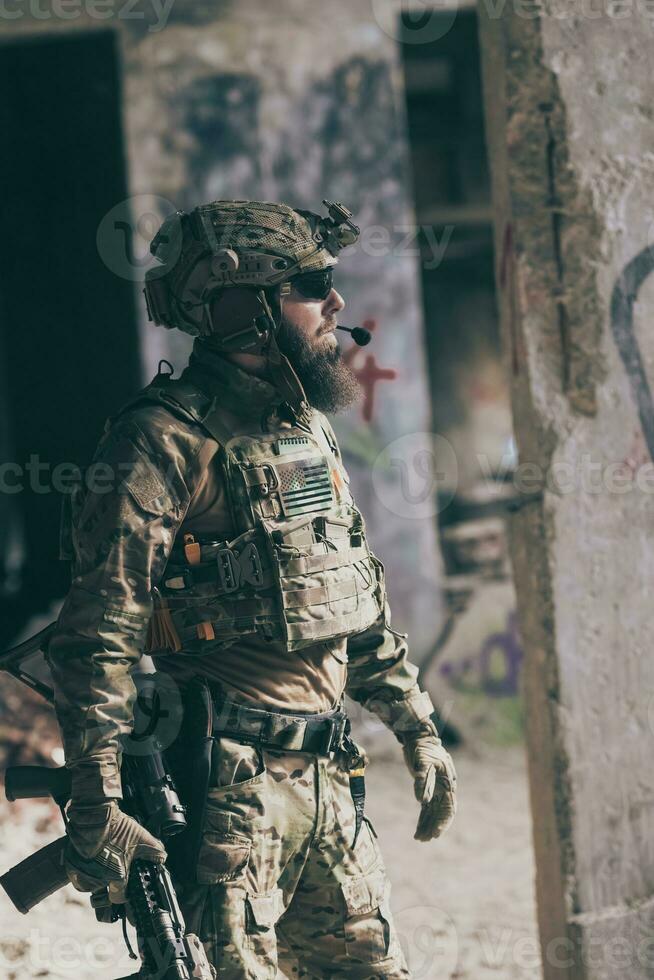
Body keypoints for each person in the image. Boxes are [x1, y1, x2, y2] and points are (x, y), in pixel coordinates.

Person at [47, 199, 457, 979]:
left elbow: (348, 595)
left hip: (329, 779)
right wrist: (97, 804)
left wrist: (415, 724)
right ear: (241, 305)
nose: (335, 303)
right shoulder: (159, 442)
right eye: (310, 284)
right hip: (227, 796)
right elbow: (97, 636)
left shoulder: (304, 424)